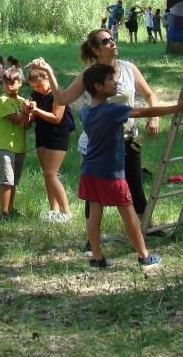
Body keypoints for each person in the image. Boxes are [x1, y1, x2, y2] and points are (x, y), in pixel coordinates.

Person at [29, 29, 164, 220]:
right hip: (99, 144)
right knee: (94, 197)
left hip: (128, 139)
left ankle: (145, 230)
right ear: (96, 49)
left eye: (112, 39)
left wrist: (155, 116)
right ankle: (93, 242)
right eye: (106, 41)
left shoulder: (128, 68)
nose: (113, 42)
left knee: (135, 188)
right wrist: (48, 71)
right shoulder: (89, 74)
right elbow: (63, 98)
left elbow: (150, 94)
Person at [79, 63, 183, 267]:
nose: (116, 82)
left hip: (89, 169)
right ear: (98, 86)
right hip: (111, 173)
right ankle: (144, 255)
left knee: (94, 213)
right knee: (129, 214)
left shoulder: (85, 111)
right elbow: (144, 112)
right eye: (111, 80)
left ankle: (96, 256)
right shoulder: (113, 110)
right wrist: (177, 108)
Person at [27, 67, 73, 221]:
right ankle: (54, 210)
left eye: (39, 85)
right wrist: (27, 111)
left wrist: (36, 111)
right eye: (34, 86)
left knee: (51, 173)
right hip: (42, 135)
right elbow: (31, 119)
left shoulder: (58, 94)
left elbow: (56, 117)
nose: (37, 89)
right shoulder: (35, 95)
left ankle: (66, 212)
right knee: (46, 174)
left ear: (47, 79)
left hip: (58, 136)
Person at [0, 67, 31, 220]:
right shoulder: (3, 100)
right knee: (6, 181)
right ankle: (4, 213)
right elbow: (15, 120)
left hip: (20, 146)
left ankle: (11, 207)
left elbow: (27, 125)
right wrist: (27, 111)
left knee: (14, 181)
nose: (8, 86)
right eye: (5, 83)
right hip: (5, 146)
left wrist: (29, 113)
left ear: (20, 83)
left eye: (12, 83)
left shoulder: (22, 101)